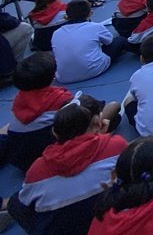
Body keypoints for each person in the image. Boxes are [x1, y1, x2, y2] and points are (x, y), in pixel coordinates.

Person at [7, 95, 127, 235]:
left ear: (55, 133)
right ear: (97, 122)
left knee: (16, 202)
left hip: (63, 229)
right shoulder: (116, 145)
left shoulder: (37, 170)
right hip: (107, 223)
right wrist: (101, 137)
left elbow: (26, 202)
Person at [51, 0, 127, 84]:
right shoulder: (95, 27)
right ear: (90, 13)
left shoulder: (56, 33)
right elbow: (109, 41)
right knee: (121, 40)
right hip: (94, 70)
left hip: (64, 77)